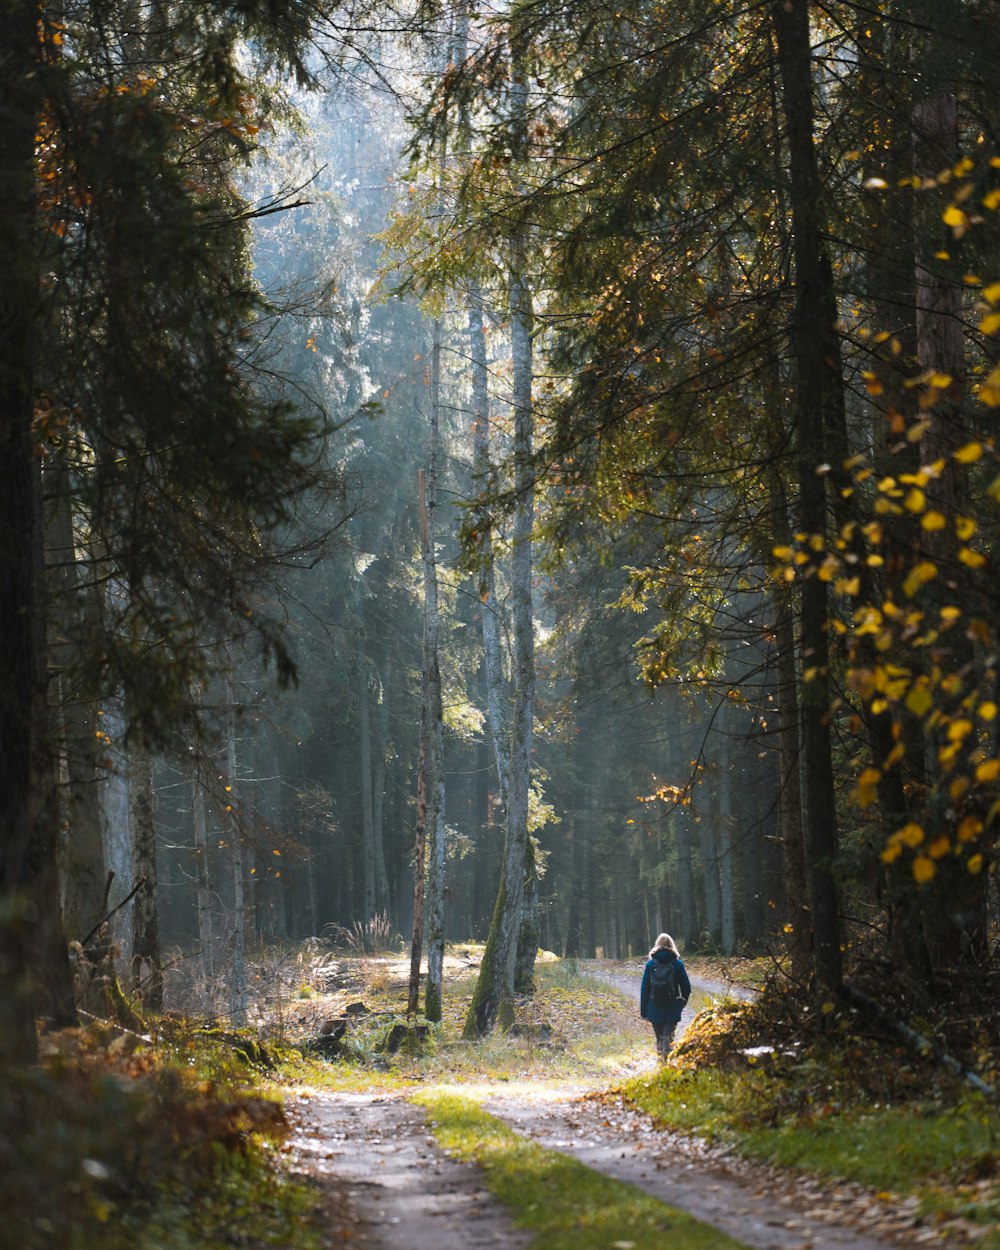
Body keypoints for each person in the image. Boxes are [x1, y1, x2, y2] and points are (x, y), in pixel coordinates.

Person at [640, 932, 691, 1060]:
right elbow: (686, 987)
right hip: (672, 1006)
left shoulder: (651, 964)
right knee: (669, 1037)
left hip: (654, 1006)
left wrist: (643, 1011)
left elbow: (644, 989)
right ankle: (668, 1060)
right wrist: (682, 1002)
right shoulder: (677, 964)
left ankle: (661, 1060)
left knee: (660, 1038)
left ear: (657, 945)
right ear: (671, 945)